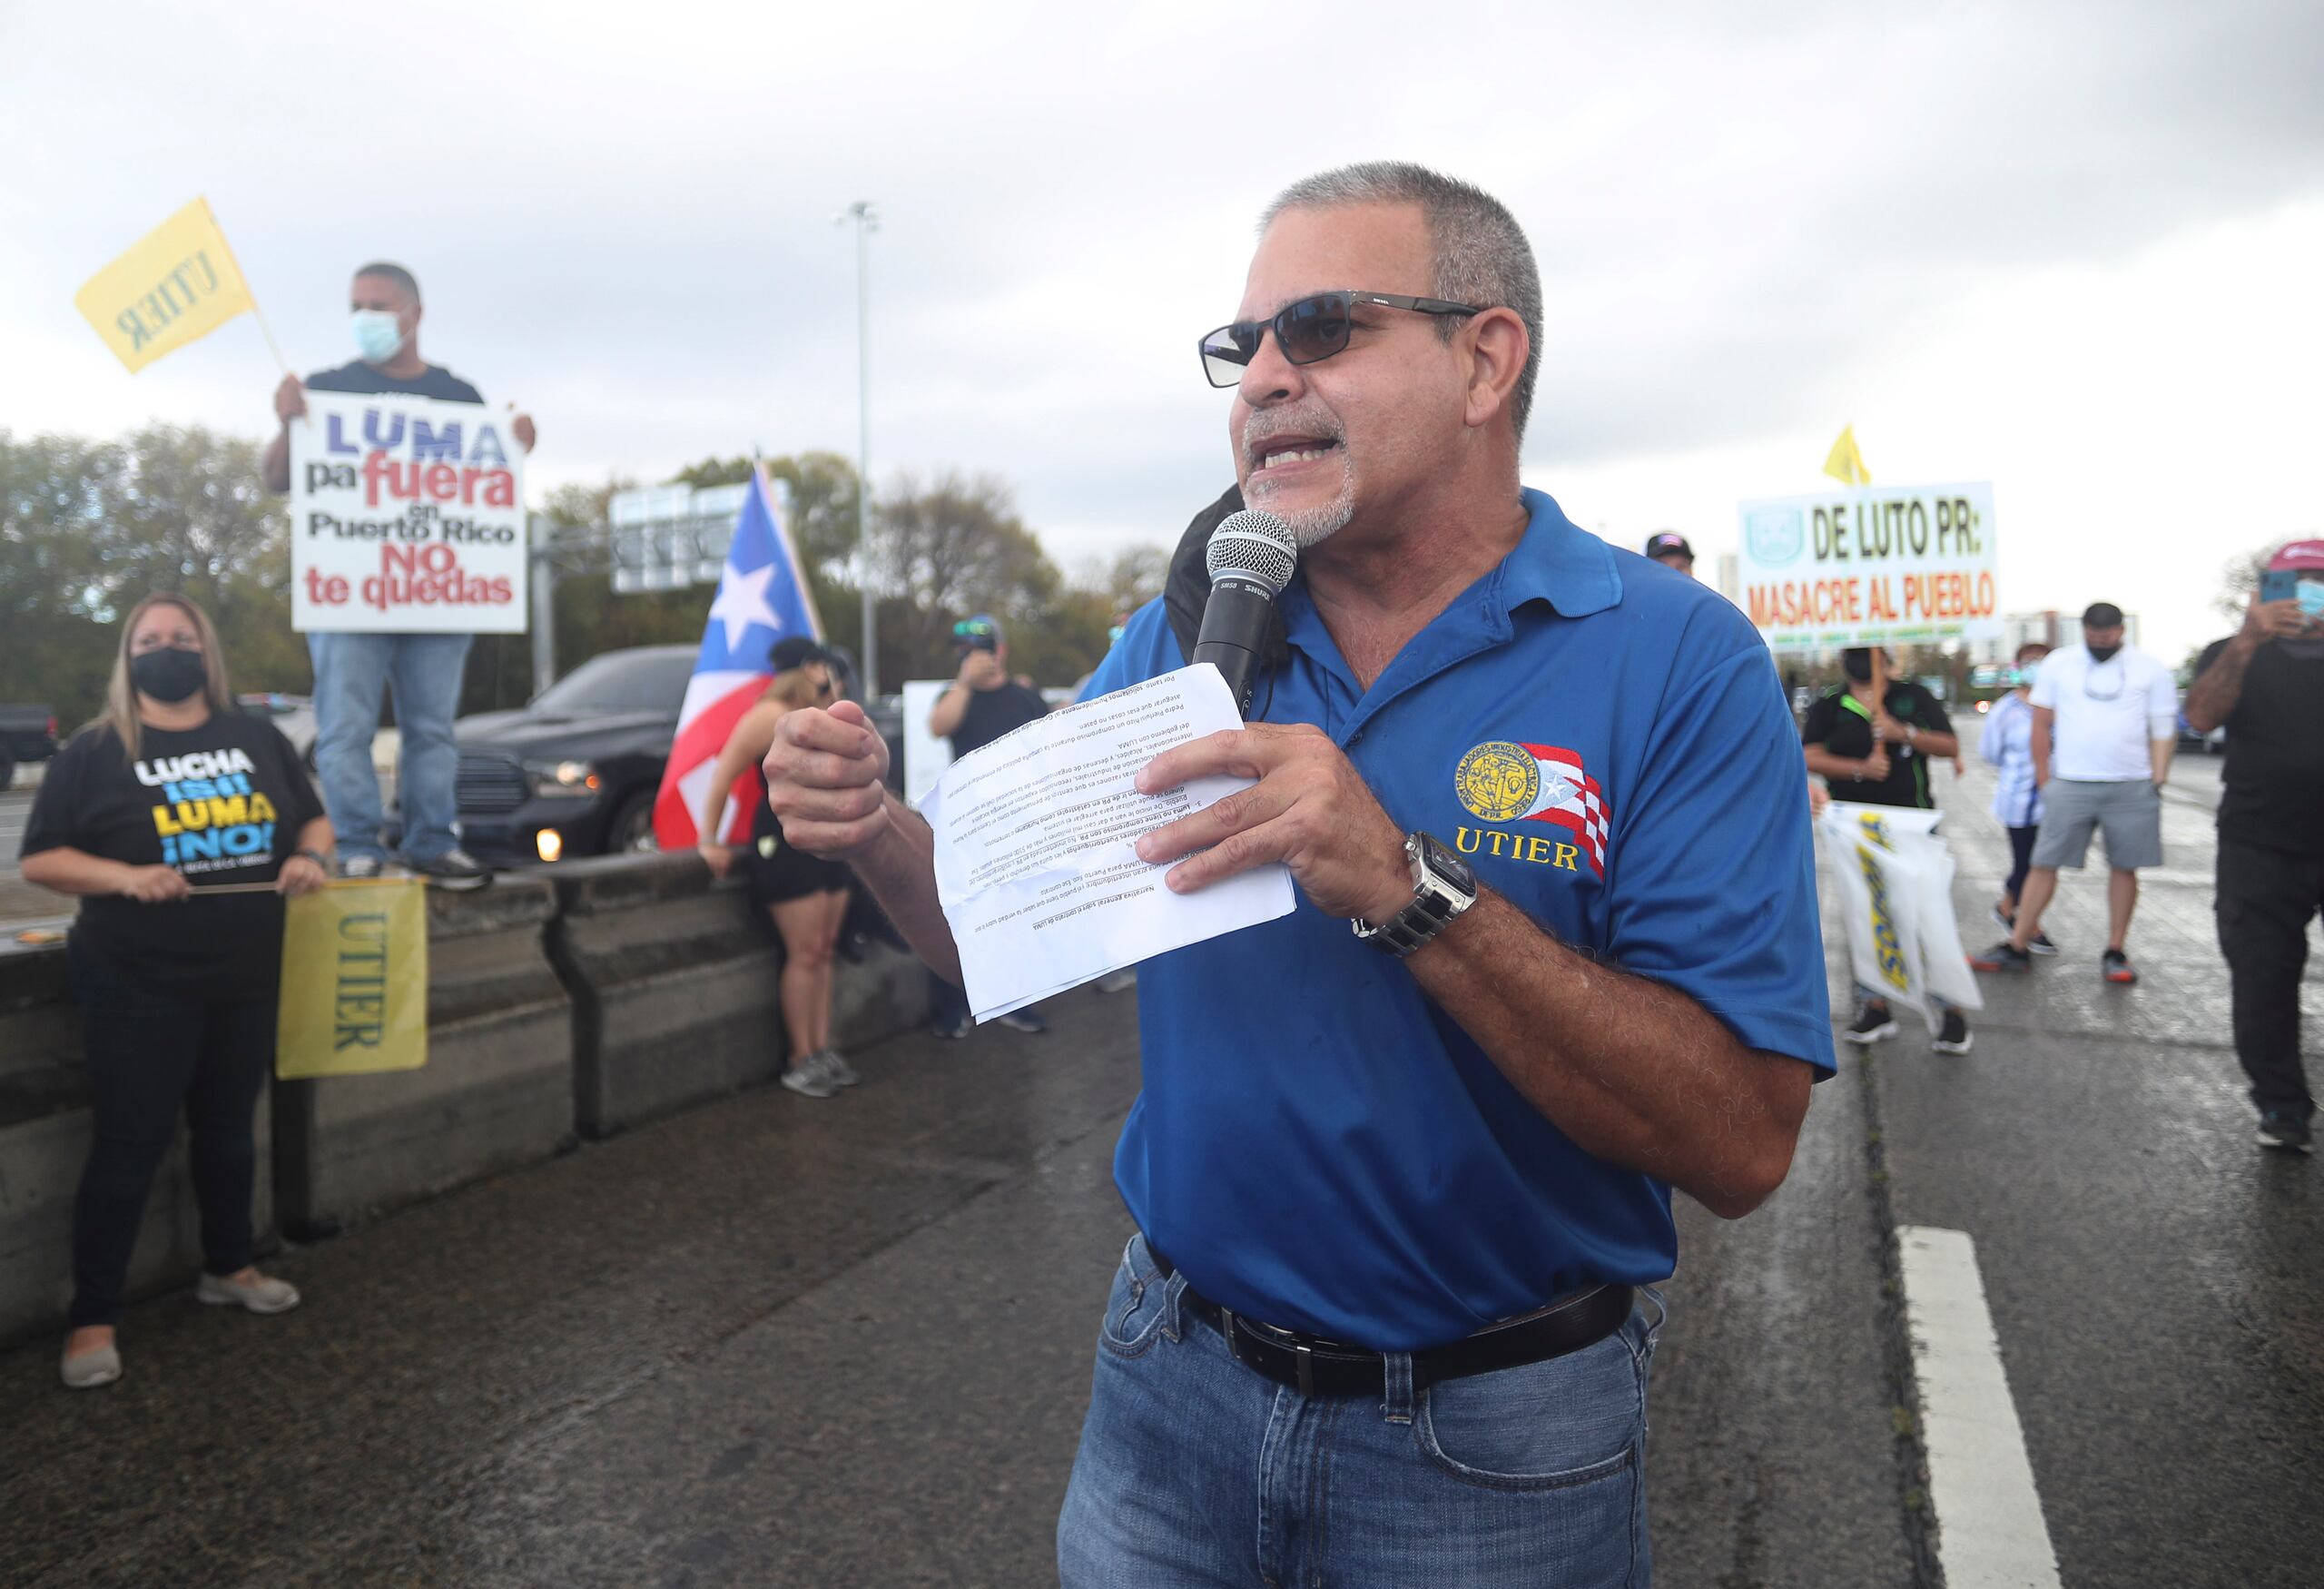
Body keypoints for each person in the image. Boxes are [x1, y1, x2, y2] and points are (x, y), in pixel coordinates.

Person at [763, 161, 1832, 1584]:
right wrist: (878, 826)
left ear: (1484, 358)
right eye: (1241, 345)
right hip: (1169, 1383)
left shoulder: (1677, 658)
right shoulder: (1194, 637)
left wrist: (1405, 883)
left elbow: (1742, 1143)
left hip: (1499, 1443)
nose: (1262, 377)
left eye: (1321, 328)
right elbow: (1005, 933)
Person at [18, 594, 332, 1390]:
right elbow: (40, 860)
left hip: (245, 976)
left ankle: (228, 1266)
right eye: (150, 639)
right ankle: (93, 1317)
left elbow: (314, 822)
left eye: (181, 638)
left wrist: (311, 860)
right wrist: (126, 876)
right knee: (128, 1147)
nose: (167, 649)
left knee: (229, 1134)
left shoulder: (258, 738)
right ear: (129, 657)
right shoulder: (94, 751)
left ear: (207, 653)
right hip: (135, 981)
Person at [261, 261, 536, 889]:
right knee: (345, 727)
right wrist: (286, 421)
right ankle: (359, 844)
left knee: (432, 730)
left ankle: (432, 842)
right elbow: (277, 478)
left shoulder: (458, 397)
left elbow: (485, 486)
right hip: (350, 592)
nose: (366, 319)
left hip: (437, 593)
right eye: (357, 306)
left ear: (415, 314)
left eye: (379, 306)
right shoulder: (326, 388)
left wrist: (515, 443)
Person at [2184, 541, 2324, 1153]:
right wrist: (2246, 640)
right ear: (2265, 591)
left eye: (2318, 582)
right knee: (2263, 977)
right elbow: (2199, 718)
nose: (2305, 594)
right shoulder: (2230, 652)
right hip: (2258, 845)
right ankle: (2282, 1106)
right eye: (2292, 582)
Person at [1972, 602, 2177, 983]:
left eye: (2108, 635)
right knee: (2043, 862)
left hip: (2130, 784)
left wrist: (2157, 779)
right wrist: (2046, 778)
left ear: (2121, 631)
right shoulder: (2059, 664)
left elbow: (2163, 725)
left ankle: (2115, 950)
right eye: (2093, 636)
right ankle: (2018, 944)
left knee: (2124, 867)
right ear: (2083, 631)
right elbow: (2041, 723)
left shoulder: (2149, 668)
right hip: (2071, 783)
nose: (2100, 642)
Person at [696, 637, 858, 1100]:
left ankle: (822, 1049)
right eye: (822, 667)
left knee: (824, 950)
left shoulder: (824, 713)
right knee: (805, 952)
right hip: (786, 844)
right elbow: (722, 779)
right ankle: (800, 1058)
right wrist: (708, 840)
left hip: (828, 841)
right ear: (808, 668)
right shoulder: (769, 716)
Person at [1801, 647, 1973, 1053]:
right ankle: (1875, 1003)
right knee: (1867, 912)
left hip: (1911, 820)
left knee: (1926, 913)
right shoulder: (1829, 703)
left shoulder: (1913, 696)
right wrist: (1859, 769)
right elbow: (1808, 753)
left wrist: (1905, 734)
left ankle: (1951, 1009)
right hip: (1853, 825)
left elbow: (1949, 745)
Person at [923, 615, 1051, 1039]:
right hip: (969, 825)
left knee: (1019, 914)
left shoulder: (1025, 696)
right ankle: (951, 1009)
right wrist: (963, 683)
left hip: (1020, 822)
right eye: (965, 653)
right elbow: (939, 726)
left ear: (1000, 652)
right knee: (960, 915)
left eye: (980, 650)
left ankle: (1017, 1001)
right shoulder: (955, 695)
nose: (973, 659)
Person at [1977, 643, 2057, 952]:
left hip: (2056, 800)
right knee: (2029, 864)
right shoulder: (2005, 710)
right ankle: (2024, 922)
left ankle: (2011, 910)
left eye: (2042, 660)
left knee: (2045, 865)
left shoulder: (2061, 705)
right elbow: (1990, 753)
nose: (2036, 666)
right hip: (2021, 800)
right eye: (2029, 661)